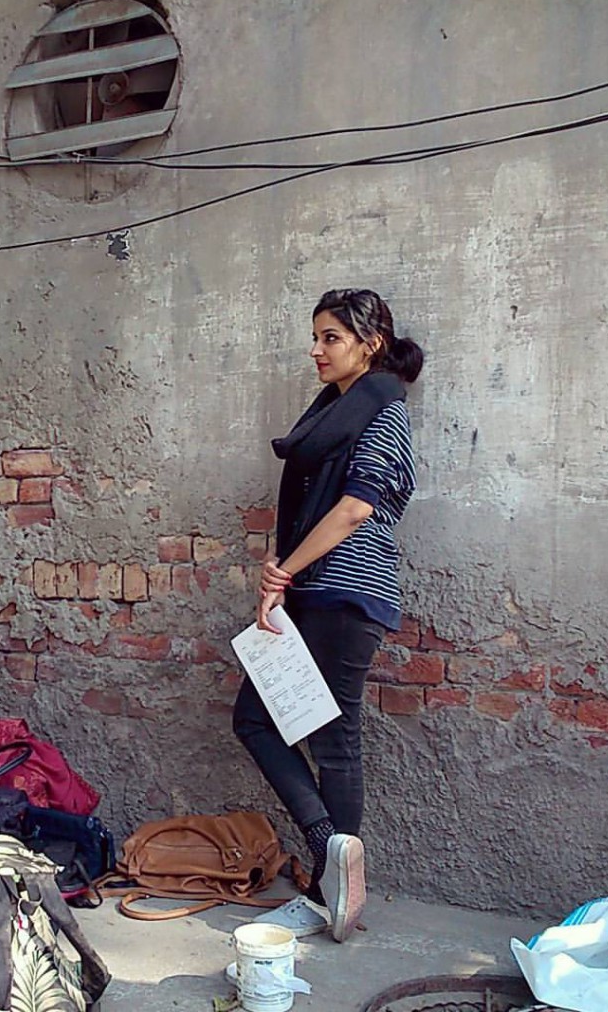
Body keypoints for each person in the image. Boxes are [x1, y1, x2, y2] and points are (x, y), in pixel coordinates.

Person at [233, 288, 423, 943]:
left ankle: (331, 884)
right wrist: (277, 574)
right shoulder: (334, 413)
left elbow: (355, 508)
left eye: (330, 338)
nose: (315, 351)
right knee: (259, 719)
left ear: (368, 344)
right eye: (314, 337)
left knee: (333, 739)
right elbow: (305, 503)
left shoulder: (384, 410)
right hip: (313, 590)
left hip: (348, 594)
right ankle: (331, 858)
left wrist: (284, 571)